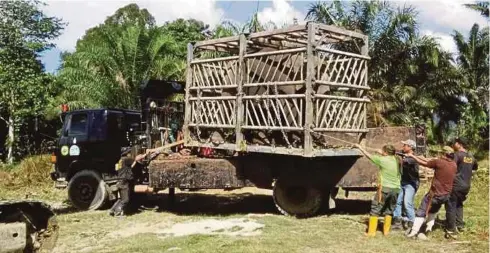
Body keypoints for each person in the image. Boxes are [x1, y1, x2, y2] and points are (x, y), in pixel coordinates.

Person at [405, 146, 457, 238]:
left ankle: (414, 231)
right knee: (433, 211)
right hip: (446, 195)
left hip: (434, 194)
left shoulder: (439, 162)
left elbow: (424, 163)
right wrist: (417, 156)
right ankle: (428, 228)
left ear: (444, 154)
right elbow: (428, 160)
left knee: (421, 211)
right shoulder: (453, 164)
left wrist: (412, 156)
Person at [355, 144, 401, 237]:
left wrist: (360, 147)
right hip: (396, 189)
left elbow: (368, 156)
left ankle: (371, 233)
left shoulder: (382, 160)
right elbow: (391, 155)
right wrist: (381, 152)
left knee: (375, 209)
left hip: (384, 188)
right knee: (389, 210)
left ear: (385, 152)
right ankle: (386, 232)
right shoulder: (397, 160)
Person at [445, 137, 478, 238]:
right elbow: (475, 167)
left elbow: (450, 167)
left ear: (459, 144)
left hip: (456, 185)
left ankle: (451, 230)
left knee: (451, 205)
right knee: (459, 204)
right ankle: (460, 225)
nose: (453, 145)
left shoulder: (457, 155)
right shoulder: (471, 156)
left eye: (454, 143)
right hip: (466, 185)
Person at [109, 148, 147, 217]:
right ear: (127, 153)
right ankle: (118, 213)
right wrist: (145, 154)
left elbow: (130, 166)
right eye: (129, 152)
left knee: (121, 198)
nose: (130, 154)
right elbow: (137, 158)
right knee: (125, 200)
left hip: (120, 180)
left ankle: (112, 210)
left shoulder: (121, 160)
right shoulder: (127, 159)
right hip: (124, 181)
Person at [392, 140, 420, 230]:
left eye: (405, 145)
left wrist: (391, 156)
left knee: (407, 203)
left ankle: (412, 223)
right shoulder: (405, 156)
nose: (403, 147)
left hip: (411, 183)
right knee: (398, 201)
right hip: (402, 182)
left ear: (410, 147)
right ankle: (397, 221)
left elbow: (401, 162)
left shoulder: (412, 158)